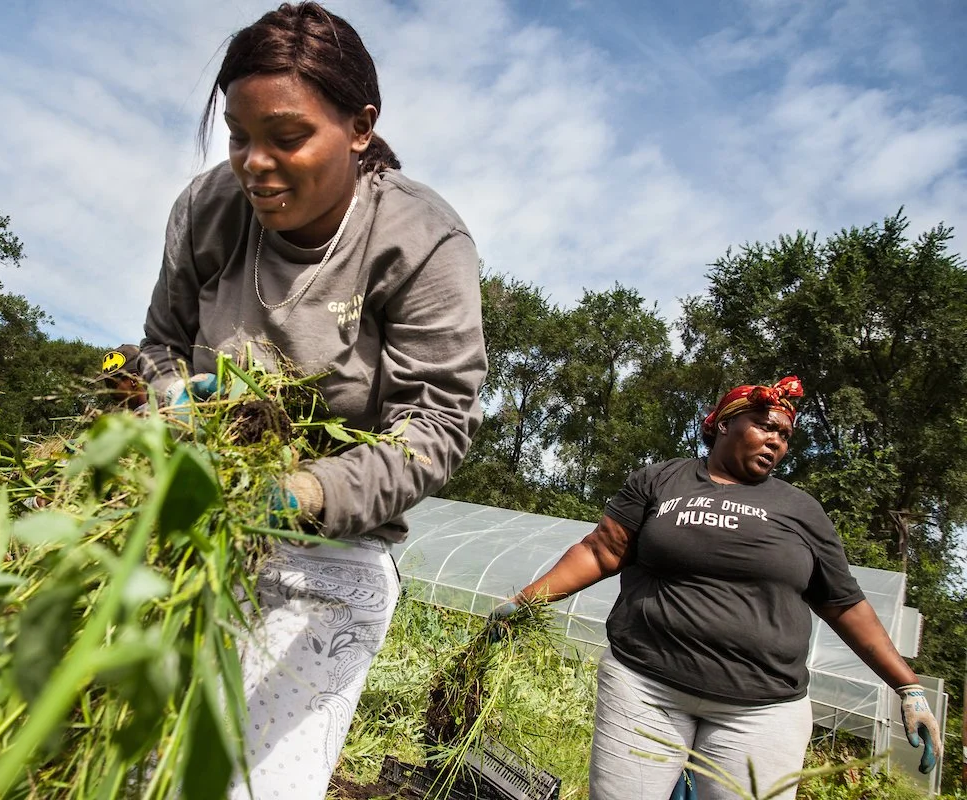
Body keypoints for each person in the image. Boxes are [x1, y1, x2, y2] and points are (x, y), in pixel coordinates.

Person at [139, 4, 487, 799]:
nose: (254, 164)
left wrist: (302, 492)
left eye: (286, 138)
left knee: (256, 786)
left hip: (333, 556)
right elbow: (158, 344)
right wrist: (168, 401)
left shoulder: (420, 239)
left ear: (360, 127)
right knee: (149, 771)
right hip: (199, 529)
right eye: (238, 136)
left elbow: (435, 427)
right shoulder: (208, 211)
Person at [489, 376, 942, 800]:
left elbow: (844, 603)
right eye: (766, 427)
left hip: (762, 709)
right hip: (645, 688)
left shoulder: (801, 509)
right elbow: (602, 551)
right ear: (725, 423)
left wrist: (908, 687)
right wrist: (524, 601)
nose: (777, 442)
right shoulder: (661, 480)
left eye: (784, 436)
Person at [93, 344, 148, 412]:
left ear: (134, 381)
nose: (109, 392)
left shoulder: (152, 420)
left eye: (113, 385)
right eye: (108, 386)